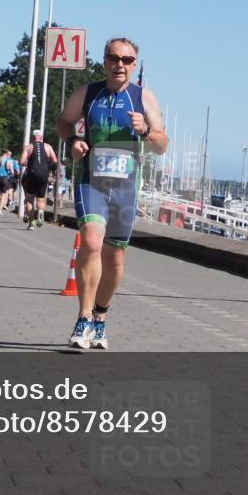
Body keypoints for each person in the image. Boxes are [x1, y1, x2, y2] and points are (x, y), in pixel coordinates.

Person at [55, 37, 167, 349]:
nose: (120, 64)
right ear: (104, 61)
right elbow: (63, 122)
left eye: (127, 60)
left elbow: (161, 145)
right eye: (113, 58)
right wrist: (73, 141)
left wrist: (145, 130)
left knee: (114, 259)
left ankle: (101, 317)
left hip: (125, 187)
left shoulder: (143, 97)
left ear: (134, 63)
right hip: (91, 181)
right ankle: (84, 317)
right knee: (90, 242)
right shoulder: (87, 93)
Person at [19, 129, 58, 230]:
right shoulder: (48, 147)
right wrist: (46, 164)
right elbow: (55, 160)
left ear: (33, 137)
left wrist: (29, 164)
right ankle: (40, 211)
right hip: (44, 174)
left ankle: (32, 223)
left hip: (32, 173)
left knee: (29, 199)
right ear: (41, 137)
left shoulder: (29, 147)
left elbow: (22, 161)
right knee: (40, 198)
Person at [0, 150, 12, 215]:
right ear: (6, 154)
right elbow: (12, 171)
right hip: (4, 178)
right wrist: (8, 172)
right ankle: (0, 210)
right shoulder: (8, 161)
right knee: (3, 194)